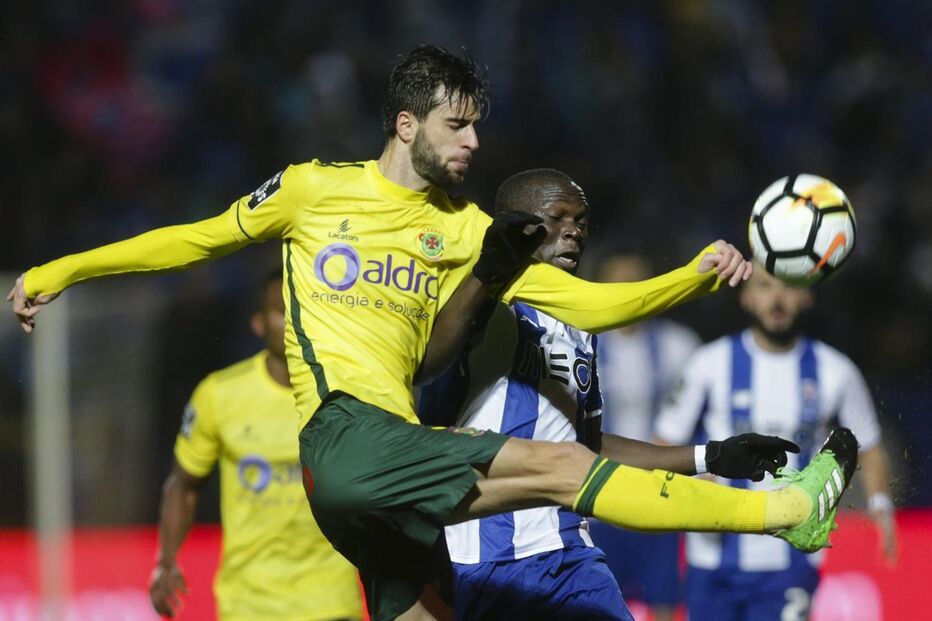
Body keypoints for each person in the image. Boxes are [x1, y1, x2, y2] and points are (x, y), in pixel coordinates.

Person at [9, 45, 858, 621]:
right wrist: (64, 269)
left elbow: (587, 305)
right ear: (408, 125)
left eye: (478, 126)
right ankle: (789, 510)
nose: (474, 141)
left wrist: (689, 275)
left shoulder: (463, 227)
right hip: (346, 434)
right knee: (566, 468)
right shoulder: (312, 191)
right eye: (459, 125)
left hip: (374, 475)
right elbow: (193, 237)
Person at [418, 169, 798, 621]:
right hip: (485, 557)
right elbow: (428, 371)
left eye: (581, 221)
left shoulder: (582, 330)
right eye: (557, 218)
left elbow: (587, 446)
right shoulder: (483, 301)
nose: (574, 231)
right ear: (517, 223)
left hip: (570, 551)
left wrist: (709, 457)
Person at [654, 266, 898, 621]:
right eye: (765, 287)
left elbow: (870, 444)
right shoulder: (708, 364)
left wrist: (880, 503)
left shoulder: (836, 371)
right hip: (711, 556)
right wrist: (691, 477)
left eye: (788, 288)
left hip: (792, 560)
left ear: (807, 298)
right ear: (746, 297)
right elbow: (664, 442)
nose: (777, 299)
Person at [149, 269, 364, 621]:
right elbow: (184, 485)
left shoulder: (349, 395)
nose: (294, 322)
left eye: (302, 309)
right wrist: (166, 561)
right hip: (248, 606)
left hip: (331, 604)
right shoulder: (219, 395)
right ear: (259, 324)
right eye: (282, 311)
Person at [589, 252, 702, 621]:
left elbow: (699, 413)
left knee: (665, 603)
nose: (626, 295)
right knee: (595, 603)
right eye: (616, 287)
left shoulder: (679, 345)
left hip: (658, 497)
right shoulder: (579, 343)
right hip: (597, 501)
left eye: (634, 286)